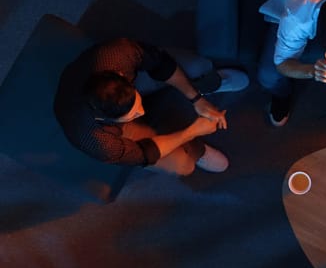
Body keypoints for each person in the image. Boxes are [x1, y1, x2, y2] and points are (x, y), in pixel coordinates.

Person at [54, 38, 249, 175]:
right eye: (132, 115)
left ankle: (206, 86)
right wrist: (192, 132)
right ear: (105, 119)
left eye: (137, 104)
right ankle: (196, 150)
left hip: (123, 86)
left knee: (197, 66)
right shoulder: (97, 141)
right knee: (184, 165)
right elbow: (144, 154)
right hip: (112, 131)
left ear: (121, 76)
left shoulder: (118, 53)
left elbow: (161, 64)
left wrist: (197, 99)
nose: (142, 111)